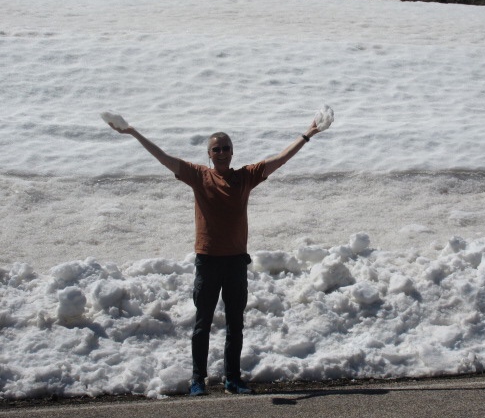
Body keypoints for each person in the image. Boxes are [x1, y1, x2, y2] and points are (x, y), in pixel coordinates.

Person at [107, 117, 323, 396]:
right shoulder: (199, 175)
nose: (221, 152)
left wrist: (307, 134)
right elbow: (164, 158)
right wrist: (133, 132)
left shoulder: (245, 176)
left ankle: (233, 379)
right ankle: (198, 379)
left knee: (235, 324)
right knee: (203, 324)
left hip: (236, 262)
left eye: (226, 148)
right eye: (216, 149)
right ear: (209, 154)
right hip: (208, 261)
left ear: (232, 152)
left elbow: (280, 159)